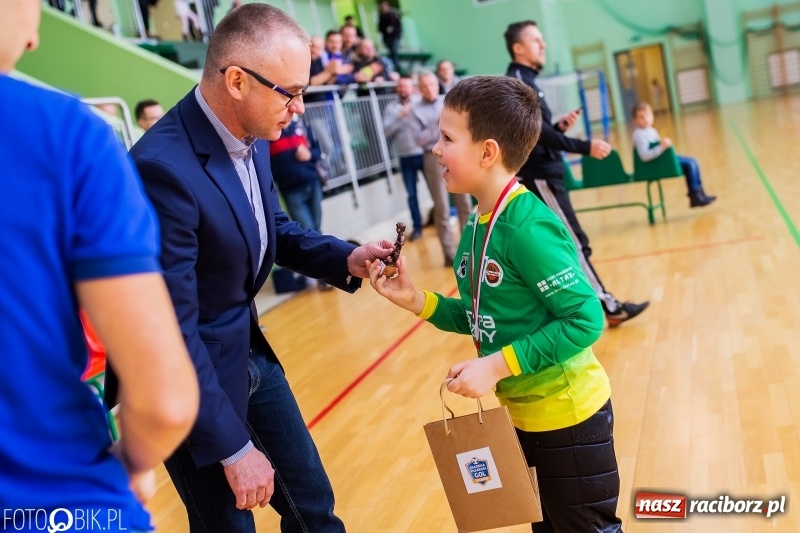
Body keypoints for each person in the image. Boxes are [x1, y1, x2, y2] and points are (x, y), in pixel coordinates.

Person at [128, 4, 394, 531]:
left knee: (313, 507)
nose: (300, 107)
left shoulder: (253, 131)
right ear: (236, 81)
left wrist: (346, 255)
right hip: (187, 377)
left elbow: (271, 226)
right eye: (290, 92)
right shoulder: (162, 170)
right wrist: (232, 450)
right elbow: (170, 333)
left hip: (246, 351)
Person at [367, 75, 623, 533]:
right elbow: (483, 316)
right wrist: (414, 300)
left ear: (487, 152)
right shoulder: (479, 222)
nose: (435, 148)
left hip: (569, 417)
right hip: (522, 415)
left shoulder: (526, 228)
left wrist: (496, 367)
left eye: (447, 138)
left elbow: (586, 319)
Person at [0, 1, 199, 531]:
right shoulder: (65, 134)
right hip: (53, 505)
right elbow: (165, 400)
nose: (35, 38)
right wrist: (130, 463)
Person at [504, 20, 649, 328]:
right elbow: (535, 133)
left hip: (547, 172)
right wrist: (583, 146)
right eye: (535, 40)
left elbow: (536, 134)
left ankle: (574, 309)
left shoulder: (529, 79)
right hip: (540, 175)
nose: (542, 45)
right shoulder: (518, 80)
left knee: (565, 242)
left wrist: (558, 129)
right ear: (518, 47)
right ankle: (608, 307)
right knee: (573, 240)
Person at [411, 71, 473, 267]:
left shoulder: (447, 103)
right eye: (425, 86)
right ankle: (450, 255)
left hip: (456, 152)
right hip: (432, 156)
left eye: (432, 84)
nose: (430, 88)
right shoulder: (414, 110)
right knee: (442, 207)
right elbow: (418, 139)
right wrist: (438, 125)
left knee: (465, 203)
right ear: (420, 89)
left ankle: (470, 248)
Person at [632, 101, 716, 208]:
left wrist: (661, 146)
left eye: (648, 115)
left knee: (693, 161)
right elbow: (644, 156)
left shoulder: (651, 131)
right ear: (635, 120)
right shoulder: (639, 134)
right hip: (653, 164)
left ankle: (699, 193)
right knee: (690, 164)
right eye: (641, 117)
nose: (646, 119)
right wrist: (662, 147)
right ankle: (695, 196)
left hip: (659, 160)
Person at [383, 76, 424, 241]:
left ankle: (446, 216)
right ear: (397, 89)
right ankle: (418, 227)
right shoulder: (391, 108)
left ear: (412, 88)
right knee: (411, 194)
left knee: (436, 189)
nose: (403, 89)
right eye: (400, 87)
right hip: (405, 156)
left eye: (406, 86)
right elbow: (386, 130)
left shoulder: (420, 102)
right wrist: (400, 116)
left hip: (422, 152)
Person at [377, 1, 402, 72]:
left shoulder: (393, 15)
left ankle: (396, 68)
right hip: (387, 38)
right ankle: (393, 67)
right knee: (391, 52)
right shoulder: (381, 17)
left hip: (394, 37)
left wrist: (394, 31)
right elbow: (380, 28)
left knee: (394, 51)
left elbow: (398, 26)